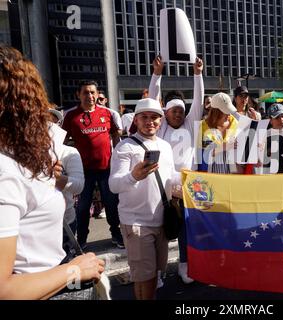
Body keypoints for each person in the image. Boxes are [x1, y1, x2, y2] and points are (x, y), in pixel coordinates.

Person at [0, 45, 104, 299]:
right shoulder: (5, 171)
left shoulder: (22, 160)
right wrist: (74, 270)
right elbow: (4, 289)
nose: (49, 123)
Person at [109, 98, 178, 300]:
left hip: (161, 220)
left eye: (155, 117)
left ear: (161, 120)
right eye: (144, 117)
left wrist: (189, 182)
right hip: (136, 222)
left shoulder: (165, 146)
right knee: (146, 278)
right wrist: (134, 176)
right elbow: (113, 185)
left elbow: (170, 176)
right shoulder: (125, 147)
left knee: (151, 276)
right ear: (136, 120)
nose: (150, 122)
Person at [149, 55, 204, 284]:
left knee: (185, 230)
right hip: (162, 187)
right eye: (174, 111)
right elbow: (153, 98)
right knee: (160, 230)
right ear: (165, 113)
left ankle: (185, 265)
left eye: (181, 111)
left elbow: (199, 100)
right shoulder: (160, 129)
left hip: (187, 187)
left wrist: (198, 74)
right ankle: (158, 272)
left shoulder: (191, 124)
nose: (179, 114)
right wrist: (157, 74)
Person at [62, 80, 124, 249]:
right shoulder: (71, 116)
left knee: (111, 204)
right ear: (78, 95)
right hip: (83, 171)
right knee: (82, 208)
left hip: (106, 169)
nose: (89, 96)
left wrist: (117, 158)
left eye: (92, 92)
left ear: (97, 95)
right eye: (85, 92)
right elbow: (62, 141)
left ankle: (116, 235)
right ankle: (81, 240)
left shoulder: (107, 113)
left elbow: (116, 136)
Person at [48, 108, 85, 252]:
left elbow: (78, 186)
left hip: (65, 222)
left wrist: (55, 177)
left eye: (54, 121)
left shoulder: (69, 152)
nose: (49, 124)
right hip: (35, 226)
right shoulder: (23, 152)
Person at [198, 92, 242, 174]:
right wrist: (222, 147)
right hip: (212, 179)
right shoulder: (202, 127)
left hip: (233, 177)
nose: (229, 114)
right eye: (226, 111)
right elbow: (202, 158)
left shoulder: (235, 122)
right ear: (216, 112)